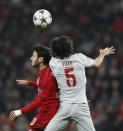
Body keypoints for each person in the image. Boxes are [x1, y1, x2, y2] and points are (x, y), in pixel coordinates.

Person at [44, 35, 115, 131]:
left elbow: (53, 53)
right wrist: (102, 54)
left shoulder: (54, 63)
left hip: (65, 107)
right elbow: (97, 63)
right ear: (69, 47)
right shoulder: (79, 58)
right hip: (81, 106)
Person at [9, 46, 59, 131]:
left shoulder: (48, 76)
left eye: (34, 56)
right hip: (46, 109)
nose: (31, 58)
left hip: (49, 111)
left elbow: (39, 101)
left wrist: (20, 111)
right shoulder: (43, 70)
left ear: (40, 60)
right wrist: (29, 83)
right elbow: (43, 86)